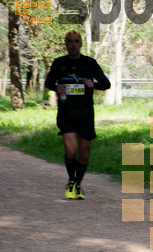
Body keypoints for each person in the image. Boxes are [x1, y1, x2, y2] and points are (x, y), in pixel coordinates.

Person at [44, 30, 110, 200]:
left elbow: (105, 83)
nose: (73, 44)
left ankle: (78, 184)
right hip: (66, 113)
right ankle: (71, 181)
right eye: (70, 41)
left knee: (84, 154)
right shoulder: (59, 63)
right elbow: (49, 82)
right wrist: (56, 88)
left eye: (76, 41)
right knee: (71, 150)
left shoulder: (89, 63)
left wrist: (92, 83)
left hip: (86, 114)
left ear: (80, 44)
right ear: (66, 44)